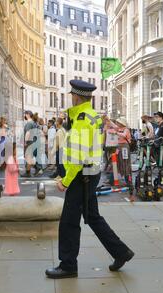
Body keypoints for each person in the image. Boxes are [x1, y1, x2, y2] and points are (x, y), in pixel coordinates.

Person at [45, 80, 134, 279]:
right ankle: (121, 252)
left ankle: (68, 265)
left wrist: (65, 181)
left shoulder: (83, 119)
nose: (71, 98)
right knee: (92, 216)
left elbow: (77, 156)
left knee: (69, 221)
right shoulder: (93, 116)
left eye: (71, 96)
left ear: (76, 97)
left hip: (80, 176)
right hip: (90, 174)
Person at [21, 110, 43, 177]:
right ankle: (37, 168)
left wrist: (25, 142)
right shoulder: (34, 123)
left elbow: (28, 133)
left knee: (28, 157)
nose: (24, 115)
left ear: (28, 115)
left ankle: (28, 173)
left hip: (30, 142)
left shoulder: (29, 123)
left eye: (25, 114)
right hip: (35, 142)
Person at [115, 117, 132, 185]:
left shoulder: (126, 129)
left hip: (124, 147)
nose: (117, 123)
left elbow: (124, 135)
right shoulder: (118, 129)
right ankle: (125, 178)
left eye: (119, 122)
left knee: (125, 162)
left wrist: (116, 133)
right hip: (118, 147)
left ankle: (128, 180)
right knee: (120, 162)